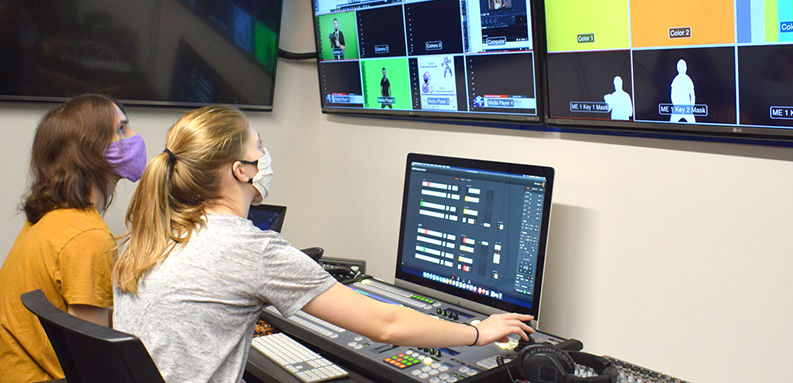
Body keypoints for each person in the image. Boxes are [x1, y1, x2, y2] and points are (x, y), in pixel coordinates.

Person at [112, 106, 533, 383]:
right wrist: (477, 332)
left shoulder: (156, 232)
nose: (266, 156)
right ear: (241, 171)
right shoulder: (249, 249)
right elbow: (385, 325)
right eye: (260, 147)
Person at [0, 94, 146, 382]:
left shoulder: (53, 217)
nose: (134, 137)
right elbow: (93, 363)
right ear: (89, 150)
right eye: (121, 129)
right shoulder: (88, 237)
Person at [670, 59, 696, 123]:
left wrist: (691, 107)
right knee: (669, 126)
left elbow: (692, 95)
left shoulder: (688, 79)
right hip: (677, 108)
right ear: (677, 68)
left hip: (687, 108)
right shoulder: (676, 80)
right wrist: (675, 106)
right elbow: (672, 95)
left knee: (695, 127)